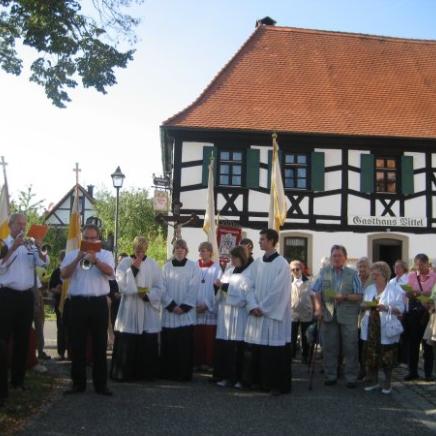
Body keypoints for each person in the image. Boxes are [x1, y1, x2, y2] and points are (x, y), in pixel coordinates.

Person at [0, 213, 49, 406]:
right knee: (3, 340)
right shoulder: (3, 243)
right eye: (18, 224)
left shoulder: (30, 244)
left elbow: (44, 264)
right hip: (6, 296)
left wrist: (39, 247)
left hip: (25, 297)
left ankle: (17, 381)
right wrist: (13, 248)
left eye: (24, 224)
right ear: (10, 225)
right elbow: (1, 268)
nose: (22, 227)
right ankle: (2, 382)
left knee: (23, 339)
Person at [61, 224, 115, 396]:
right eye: (87, 238)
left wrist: (96, 260)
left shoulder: (106, 254)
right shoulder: (72, 254)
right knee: (77, 345)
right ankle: (78, 384)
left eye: (93, 238)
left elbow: (110, 273)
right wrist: (78, 258)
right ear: (82, 238)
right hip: (78, 303)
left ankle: (101, 385)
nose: (90, 241)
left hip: (98, 303)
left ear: (99, 238)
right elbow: (64, 274)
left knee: (100, 345)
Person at [243, 229, 292, 395]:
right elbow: (247, 285)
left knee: (273, 351)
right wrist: (252, 305)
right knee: (257, 349)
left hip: (271, 316)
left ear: (271, 241)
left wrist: (262, 308)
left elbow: (279, 291)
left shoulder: (282, 264)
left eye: (262, 239)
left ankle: (274, 384)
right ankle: (257, 381)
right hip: (257, 313)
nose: (259, 242)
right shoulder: (257, 263)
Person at [111, 236, 163, 381]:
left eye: (143, 248)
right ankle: (124, 373)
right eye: (138, 248)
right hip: (130, 306)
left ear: (147, 248)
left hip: (146, 306)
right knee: (128, 338)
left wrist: (148, 296)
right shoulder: (125, 263)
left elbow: (160, 286)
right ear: (133, 247)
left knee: (147, 339)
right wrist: (135, 265)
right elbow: (121, 283)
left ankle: (146, 374)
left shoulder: (153, 264)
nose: (140, 251)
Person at [313, 245, 362, 388]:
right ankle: (331, 376)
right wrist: (318, 308)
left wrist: (345, 296)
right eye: (334, 255)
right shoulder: (324, 272)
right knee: (329, 347)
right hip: (328, 314)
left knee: (350, 347)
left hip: (348, 316)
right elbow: (315, 291)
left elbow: (359, 295)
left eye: (339, 255)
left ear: (345, 258)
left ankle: (351, 377)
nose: (336, 258)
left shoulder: (353, 274)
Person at [361, 261, 405, 394]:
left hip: (386, 326)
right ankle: (373, 381)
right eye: (373, 274)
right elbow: (363, 304)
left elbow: (401, 310)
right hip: (371, 327)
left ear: (384, 275)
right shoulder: (369, 289)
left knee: (387, 355)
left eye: (377, 274)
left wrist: (386, 307)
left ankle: (387, 382)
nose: (374, 276)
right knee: (371, 354)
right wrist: (366, 305)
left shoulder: (395, 290)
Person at [161, 239, 200, 381]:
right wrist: (171, 305)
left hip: (185, 314)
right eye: (177, 248)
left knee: (184, 346)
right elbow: (162, 288)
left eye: (182, 248)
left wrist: (184, 307)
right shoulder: (165, 268)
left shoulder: (193, 267)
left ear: (186, 250)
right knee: (169, 345)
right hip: (170, 313)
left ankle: (184, 374)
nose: (179, 250)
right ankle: (168, 373)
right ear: (173, 250)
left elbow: (194, 288)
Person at [214, 246, 251, 388]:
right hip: (226, 314)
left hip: (239, 315)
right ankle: (226, 377)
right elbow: (221, 290)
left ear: (241, 257)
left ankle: (240, 379)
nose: (233, 260)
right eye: (232, 258)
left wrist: (224, 287)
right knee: (226, 348)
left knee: (238, 349)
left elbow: (243, 296)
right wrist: (218, 287)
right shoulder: (228, 271)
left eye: (235, 258)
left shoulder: (247, 274)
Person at [404, 253, 436, 381]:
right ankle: (413, 371)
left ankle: (428, 373)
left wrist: (423, 293)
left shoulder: (434, 276)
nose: (419, 269)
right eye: (417, 266)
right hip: (414, 312)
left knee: (427, 344)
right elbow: (407, 293)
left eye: (422, 266)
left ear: (428, 264)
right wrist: (411, 293)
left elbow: (433, 294)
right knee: (413, 343)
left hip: (427, 313)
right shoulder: (411, 276)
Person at [194, 242, 222, 370]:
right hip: (196, 307)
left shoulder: (216, 268)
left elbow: (218, 289)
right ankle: (198, 362)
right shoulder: (194, 266)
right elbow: (190, 286)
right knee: (197, 337)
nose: (202, 253)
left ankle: (209, 362)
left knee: (209, 337)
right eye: (201, 251)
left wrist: (207, 305)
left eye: (205, 250)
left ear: (210, 252)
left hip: (209, 308)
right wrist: (194, 304)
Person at [290, 260, 312, 364]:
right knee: (291, 335)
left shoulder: (309, 282)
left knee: (305, 335)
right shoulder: (288, 283)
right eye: (292, 269)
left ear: (302, 269)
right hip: (292, 313)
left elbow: (313, 297)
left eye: (297, 269)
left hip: (306, 312)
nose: (295, 271)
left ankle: (306, 356)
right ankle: (291, 355)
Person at [389, 260, 409, 365]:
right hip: (392, 311)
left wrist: (403, 311)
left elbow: (407, 297)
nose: (396, 269)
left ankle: (403, 358)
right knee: (394, 334)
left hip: (403, 310)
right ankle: (395, 358)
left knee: (403, 335)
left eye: (398, 267)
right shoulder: (392, 281)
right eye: (395, 267)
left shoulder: (407, 280)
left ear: (403, 268)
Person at [49, 250, 67, 360]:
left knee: (72, 328)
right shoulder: (56, 272)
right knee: (61, 328)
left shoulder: (74, 270)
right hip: (59, 303)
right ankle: (61, 353)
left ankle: (72, 352)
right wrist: (57, 289)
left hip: (71, 302)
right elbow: (51, 287)